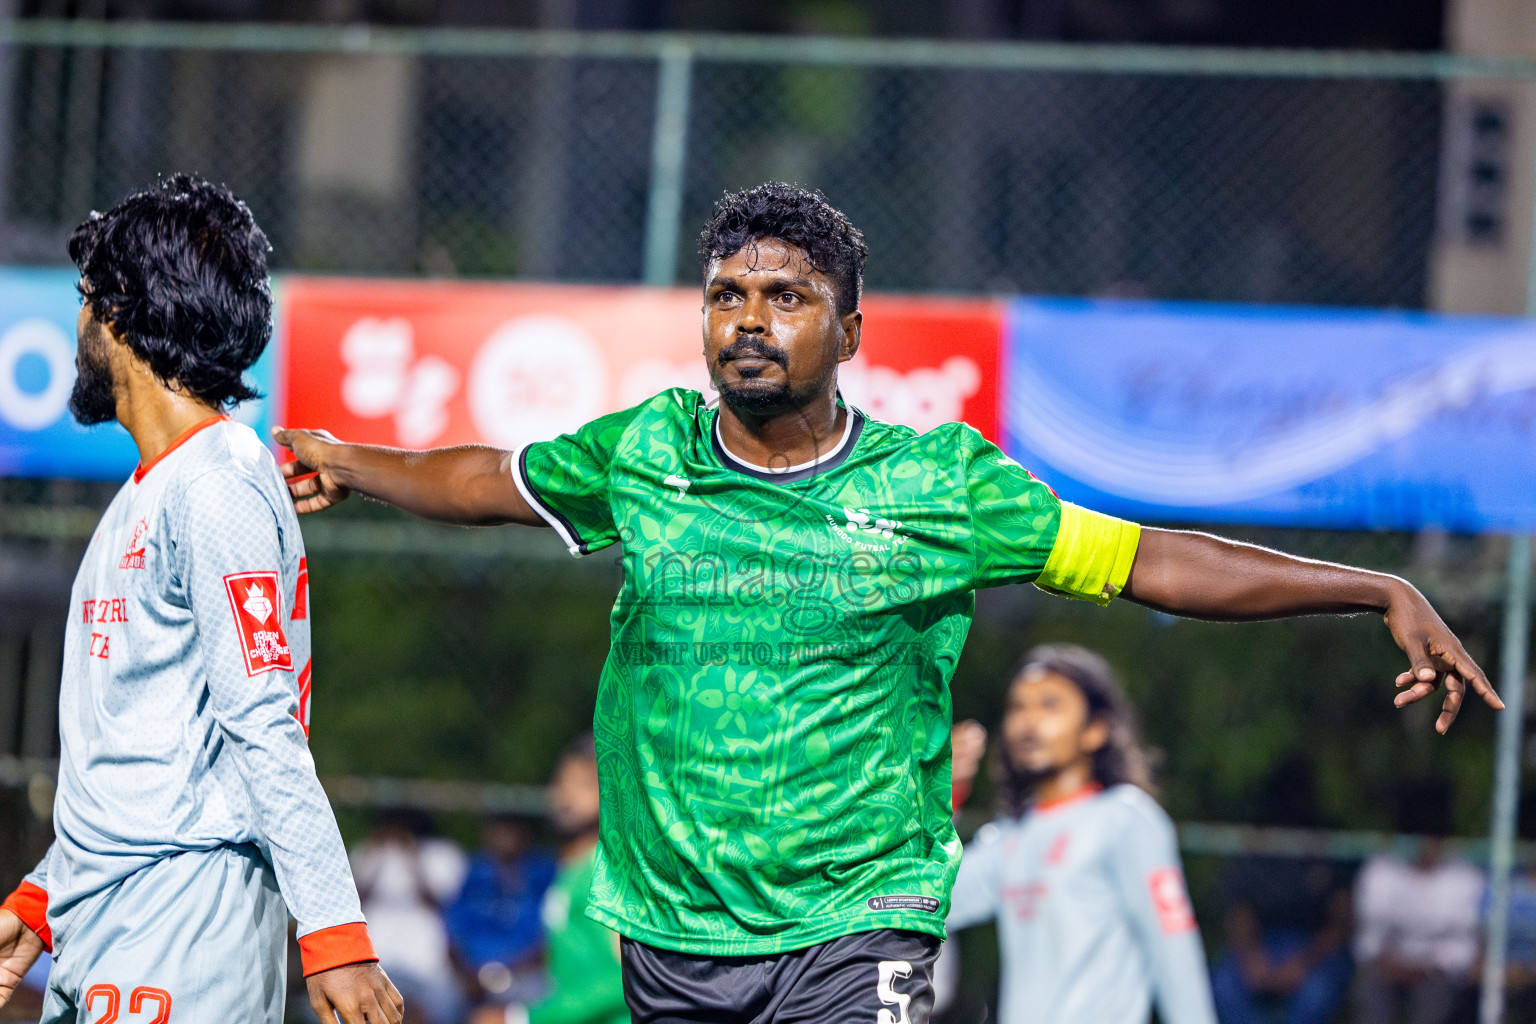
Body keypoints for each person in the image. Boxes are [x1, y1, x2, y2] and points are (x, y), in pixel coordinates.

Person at [273, 182, 1498, 1024]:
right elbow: (493, 479)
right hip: (673, 932)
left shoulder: (937, 486)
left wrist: (1372, 586)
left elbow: (1151, 562)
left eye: (788, 297)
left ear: (850, 329)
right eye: (727, 296)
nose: (750, 321)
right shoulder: (646, 451)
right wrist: (352, 459)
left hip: (857, 926)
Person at [0, 176, 402, 1024]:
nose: (79, 325)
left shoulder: (217, 483)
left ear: (120, 311)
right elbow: (145, 750)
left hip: (183, 925)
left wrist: (334, 931)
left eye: (86, 300)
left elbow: (261, 722)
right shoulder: (155, 490)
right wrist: (44, 896)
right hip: (106, 919)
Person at [945, 644, 1217, 1024]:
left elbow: (1174, 952)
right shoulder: (1010, 836)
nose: (1029, 721)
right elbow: (931, 901)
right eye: (1018, 707)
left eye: (1050, 705)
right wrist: (943, 798)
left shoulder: (1125, 819)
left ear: (1095, 729)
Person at [476, 734, 628, 1024]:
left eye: (584, 784)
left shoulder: (608, 873)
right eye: (561, 782)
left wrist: (520, 1018)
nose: (566, 796)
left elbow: (627, 977)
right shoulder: (569, 872)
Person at [1211, 758, 1354, 1024]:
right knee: (1224, 985)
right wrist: (1252, 958)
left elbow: (1342, 923)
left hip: (1315, 952)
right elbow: (1239, 912)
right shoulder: (1256, 843)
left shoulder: (1327, 844)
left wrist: (1302, 964)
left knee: (1316, 993)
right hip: (1262, 944)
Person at [1352, 779, 1482, 1024]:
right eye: (1416, 829)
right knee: (1370, 990)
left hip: (1438, 972)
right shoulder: (1380, 871)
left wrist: (1430, 966)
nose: (1424, 839)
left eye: (1432, 829)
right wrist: (1388, 962)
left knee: (1435, 1003)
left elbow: (1464, 944)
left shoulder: (1465, 877)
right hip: (1387, 966)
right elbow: (1368, 939)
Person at [351, 810, 469, 1024]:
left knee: (435, 1010)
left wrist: (410, 854)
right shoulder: (368, 850)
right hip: (377, 956)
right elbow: (354, 900)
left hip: (425, 962)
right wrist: (380, 855)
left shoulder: (440, 852)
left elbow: (439, 901)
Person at [447, 815, 559, 1005]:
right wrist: (471, 976)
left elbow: (552, 937)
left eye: (512, 828)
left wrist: (502, 976)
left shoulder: (543, 871)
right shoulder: (476, 872)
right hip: (473, 978)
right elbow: (452, 934)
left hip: (528, 976)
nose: (505, 835)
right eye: (499, 828)